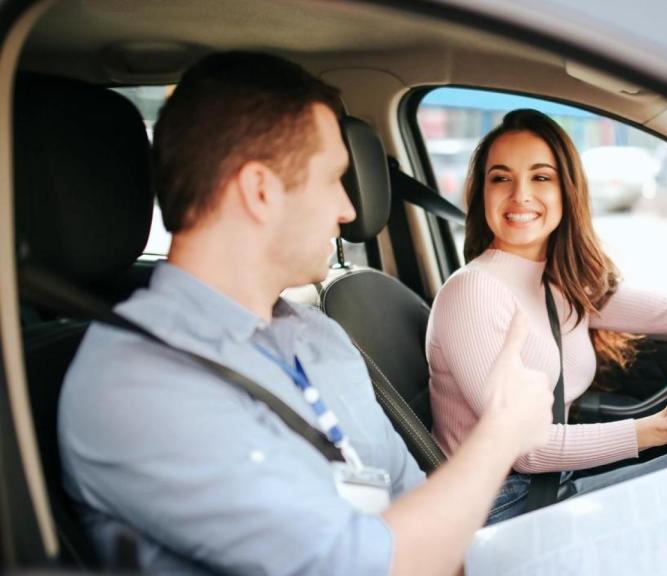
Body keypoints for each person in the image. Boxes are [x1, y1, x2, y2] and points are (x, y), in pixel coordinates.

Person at [58, 52, 556, 576]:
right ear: (261, 192)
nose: (347, 208)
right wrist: (502, 432)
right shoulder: (138, 384)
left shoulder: (319, 334)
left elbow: (418, 507)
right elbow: (360, 567)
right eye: (333, 179)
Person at [427, 109, 667, 574]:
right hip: (497, 516)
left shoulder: (558, 281)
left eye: (540, 177)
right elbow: (523, 450)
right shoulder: (474, 291)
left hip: (545, 485)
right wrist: (661, 428)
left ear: (566, 189)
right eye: (500, 178)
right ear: (481, 193)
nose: (520, 195)